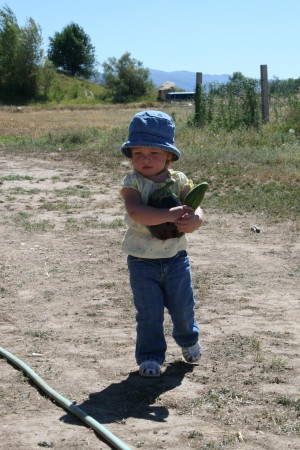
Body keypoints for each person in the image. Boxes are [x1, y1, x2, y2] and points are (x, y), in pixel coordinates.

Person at [120, 110, 204, 377]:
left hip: (176, 258)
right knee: (149, 314)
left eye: (153, 153)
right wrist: (170, 214)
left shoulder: (179, 181)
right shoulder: (132, 182)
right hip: (142, 262)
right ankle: (151, 356)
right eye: (138, 153)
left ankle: (188, 340)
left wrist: (195, 221)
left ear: (169, 155)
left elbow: (197, 208)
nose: (145, 159)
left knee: (183, 307)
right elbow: (137, 213)